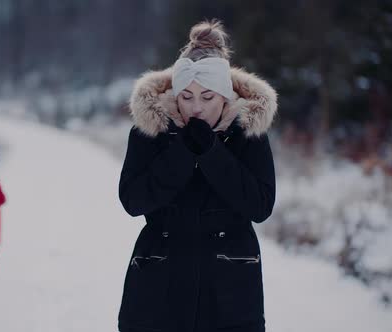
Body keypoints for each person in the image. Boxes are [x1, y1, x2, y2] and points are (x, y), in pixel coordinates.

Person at [117, 20, 277, 332]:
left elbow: (260, 206)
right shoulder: (150, 131)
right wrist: (181, 152)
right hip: (159, 283)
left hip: (229, 292)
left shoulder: (248, 132)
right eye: (187, 97)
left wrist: (212, 154)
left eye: (207, 98)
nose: (196, 108)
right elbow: (133, 200)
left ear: (225, 97)